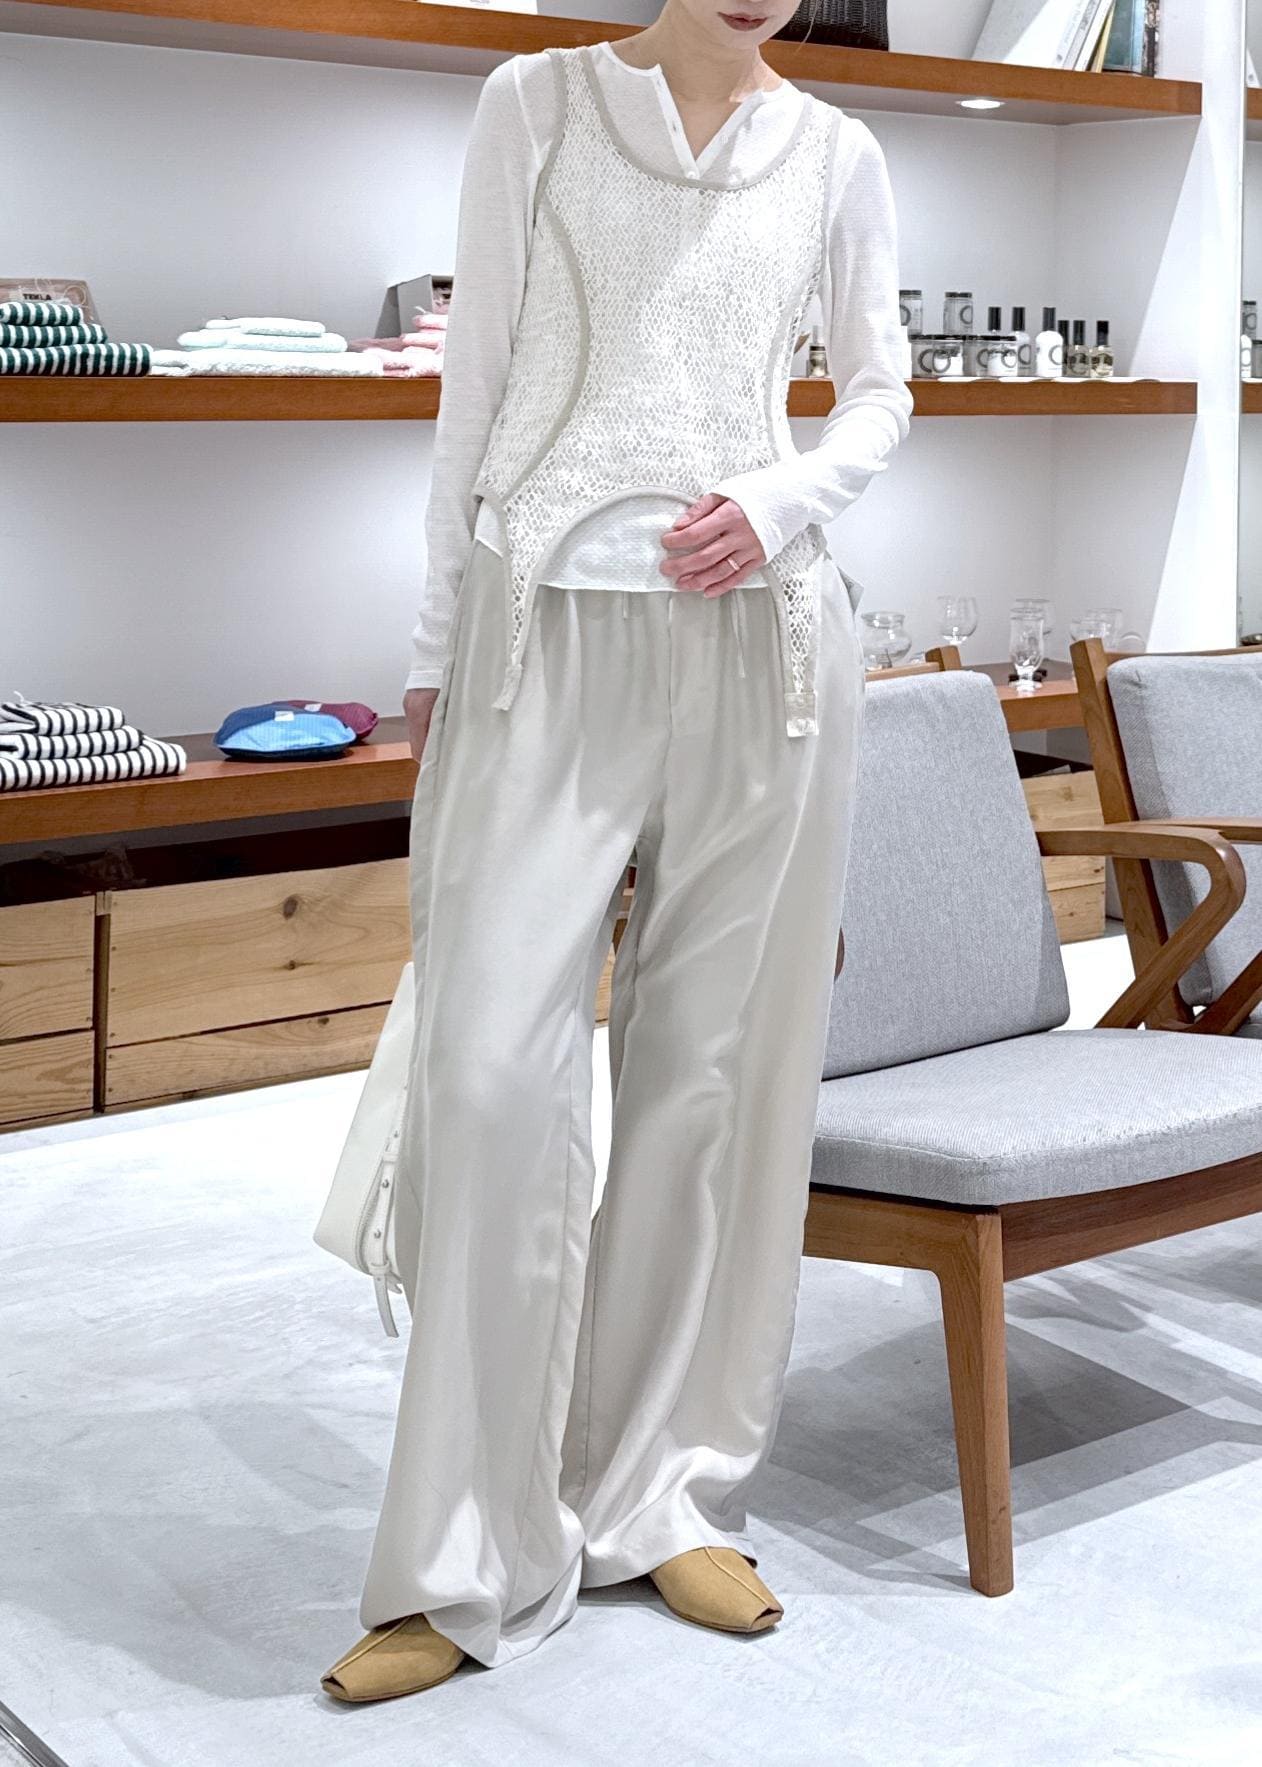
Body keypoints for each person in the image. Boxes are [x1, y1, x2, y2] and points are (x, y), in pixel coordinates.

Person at [320, 0, 912, 1702]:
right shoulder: (539, 103)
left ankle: (661, 1494)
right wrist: (433, 644)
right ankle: (458, 1559)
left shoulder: (837, 151)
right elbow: (476, 389)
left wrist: (788, 499)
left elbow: (881, 393)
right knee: (490, 1085)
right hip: (542, 634)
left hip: (766, 649)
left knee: (713, 1079)